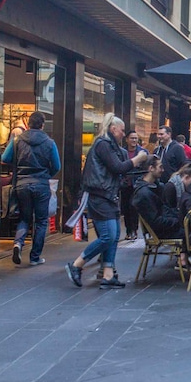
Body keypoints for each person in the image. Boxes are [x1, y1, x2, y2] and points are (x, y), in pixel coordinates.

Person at [66, 114, 148, 289]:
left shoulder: (109, 145)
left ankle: (108, 275)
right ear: (113, 129)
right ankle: (76, 265)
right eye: (122, 130)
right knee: (108, 235)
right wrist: (138, 159)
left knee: (114, 234)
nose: (123, 134)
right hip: (100, 195)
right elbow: (117, 167)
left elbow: (118, 169)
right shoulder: (103, 144)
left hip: (108, 195)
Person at [2, 111, 61, 266]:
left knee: (24, 217)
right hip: (41, 185)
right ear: (42, 125)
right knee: (41, 221)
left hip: (22, 184)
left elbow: (5, 158)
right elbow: (57, 166)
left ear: (28, 124)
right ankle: (35, 257)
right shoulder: (49, 142)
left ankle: (18, 244)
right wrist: (45, 174)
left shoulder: (17, 140)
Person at [120, 130, 147, 241]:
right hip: (126, 184)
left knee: (134, 207)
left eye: (136, 138)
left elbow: (146, 167)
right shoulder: (122, 152)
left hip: (137, 184)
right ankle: (128, 230)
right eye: (132, 138)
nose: (134, 140)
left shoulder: (142, 152)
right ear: (127, 139)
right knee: (125, 208)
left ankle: (134, 230)